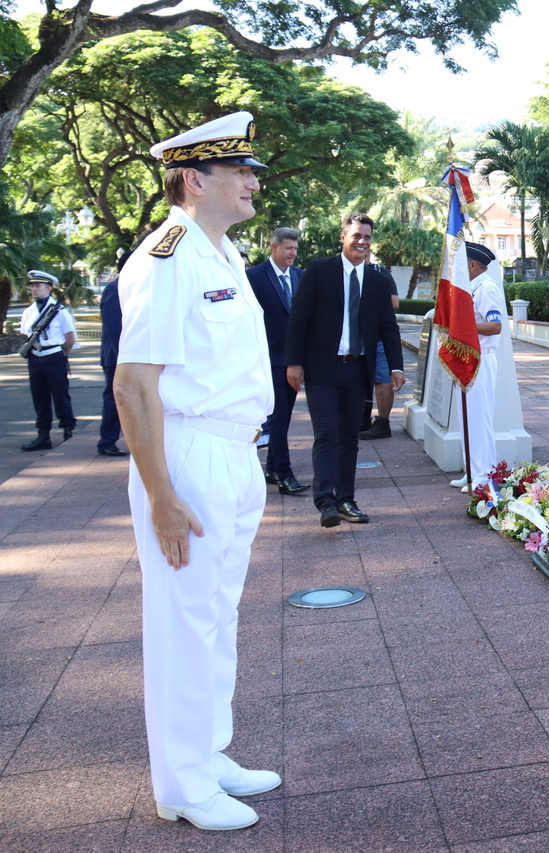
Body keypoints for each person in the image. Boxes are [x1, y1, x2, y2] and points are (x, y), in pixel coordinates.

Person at [113, 111, 280, 832]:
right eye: (238, 168)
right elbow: (133, 384)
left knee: (217, 613)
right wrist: (161, 495)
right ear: (193, 178)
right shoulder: (169, 253)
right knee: (184, 619)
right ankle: (180, 783)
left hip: (235, 451)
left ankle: (208, 753)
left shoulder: (220, 255)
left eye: (253, 169)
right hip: (187, 454)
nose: (252, 180)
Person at [285, 212, 405, 527]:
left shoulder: (378, 280)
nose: (362, 242)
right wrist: (294, 362)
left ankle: (346, 499)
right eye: (356, 236)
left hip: (357, 371)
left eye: (367, 237)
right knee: (326, 435)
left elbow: (388, 327)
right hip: (323, 369)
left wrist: (396, 366)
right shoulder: (320, 271)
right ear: (343, 237)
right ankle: (326, 502)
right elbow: (299, 318)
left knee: (349, 438)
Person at [246, 227, 309, 494]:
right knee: (278, 415)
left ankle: (273, 468)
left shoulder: (300, 276)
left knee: (283, 416)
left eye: (295, 248)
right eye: (288, 248)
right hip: (266, 359)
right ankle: (284, 473)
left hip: (294, 359)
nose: (293, 253)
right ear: (273, 247)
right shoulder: (253, 277)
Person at [448, 242, 505, 491]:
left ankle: (484, 476)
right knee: (467, 417)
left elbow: (495, 325)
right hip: (468, 356)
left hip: (481, 357)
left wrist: (462, 329)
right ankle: (472, 471)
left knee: (479, 418)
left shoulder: (486, 287)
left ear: (472, 265)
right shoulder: (472, 287)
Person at [19, 269, 77, 451]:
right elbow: (26, 335)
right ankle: (43, 435)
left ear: (49, 288)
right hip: (35, 357)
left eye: (38, 286)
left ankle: (68, 430)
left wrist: (61, 354)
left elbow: (70, 338)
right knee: (39, 396)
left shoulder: (59, 311)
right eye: (32, 286)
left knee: (60, 395)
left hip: (54, 356)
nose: (34, 289)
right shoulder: (28, 311)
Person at [359, 291, 401, 440]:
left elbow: (394, 303)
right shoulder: (381, 275)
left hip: (375, 338)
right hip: (370, 336)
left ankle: (381, 423)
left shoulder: (380, 276)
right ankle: (374, 422)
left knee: (382, 380)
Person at [97, 256, 128, 457]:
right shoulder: (115, 288)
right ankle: (107, 441)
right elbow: (113, 327)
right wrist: (123, 359)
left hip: (125, 356)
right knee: (114, 399)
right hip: (116, 356)